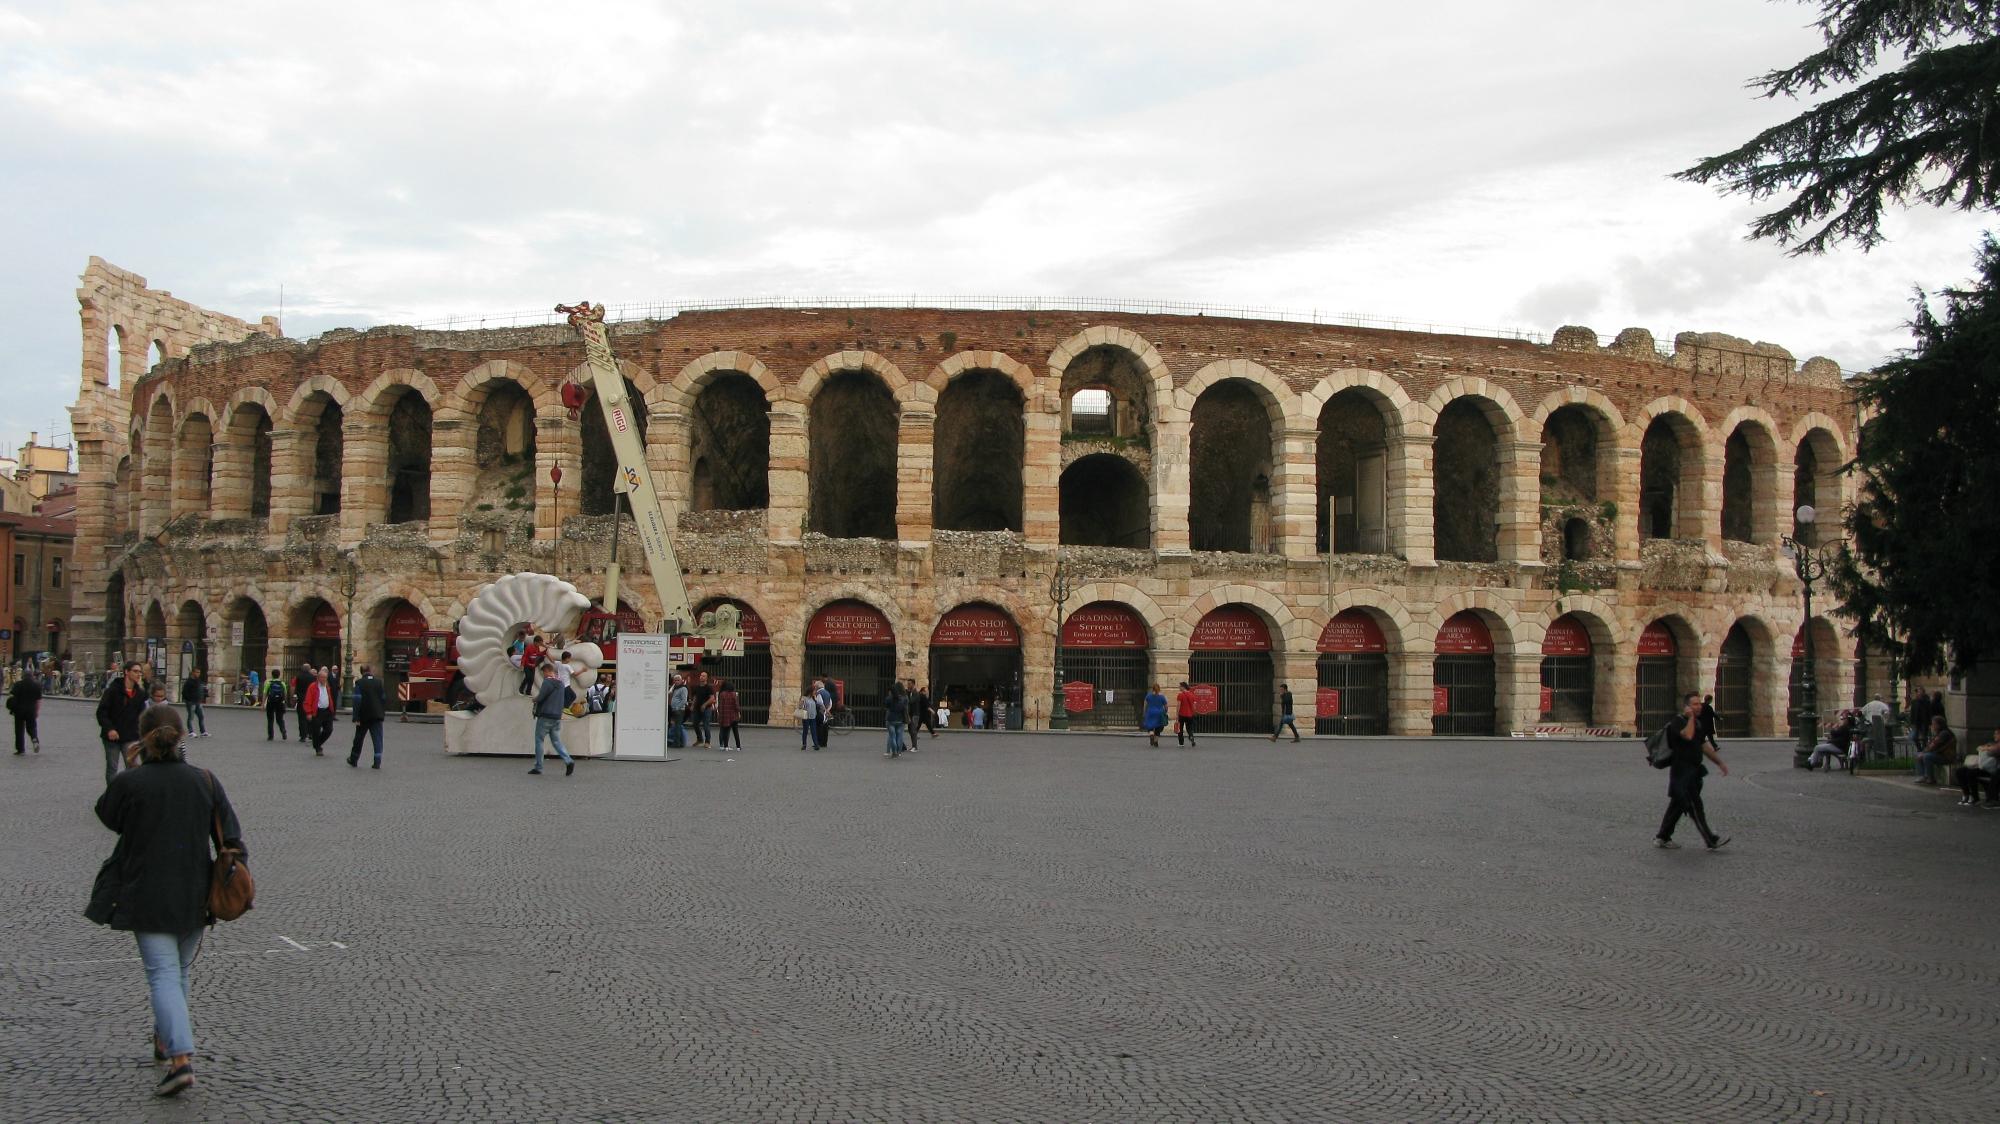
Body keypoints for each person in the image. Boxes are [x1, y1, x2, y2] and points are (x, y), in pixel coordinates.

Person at [85, 704, 246, 1098]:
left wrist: (129, 769)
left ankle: (180, 1059)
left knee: (163, 975)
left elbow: (108, 815)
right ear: (181, 736)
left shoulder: (132, 782)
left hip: (148, 891)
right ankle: (164, 1038)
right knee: (177, 973)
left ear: (143, 738)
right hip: (195, 892)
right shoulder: (204, 780)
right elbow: (233, 837)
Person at [1656, 691, 1731, 850]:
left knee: (1678, 806)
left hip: (1694, 772)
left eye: (1700, 703)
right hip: (1682, 773)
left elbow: (1703, 746)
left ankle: (1662, 837)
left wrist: (1720, 763)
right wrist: (1690, 718)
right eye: (1695, 704)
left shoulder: (1697, 723)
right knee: (1694, 806)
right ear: (1687, 707)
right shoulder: (1678, 721)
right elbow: (1688, 736)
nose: (1699, 706)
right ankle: (1711, 839)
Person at [97, 662, 148, 786]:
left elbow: (142, 716)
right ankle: (113, 795)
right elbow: (101, 712)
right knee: (112, 768)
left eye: (140, 672)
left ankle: (130, 794)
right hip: (112, 737)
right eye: (135, 671)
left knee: (132, 768)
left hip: (131, 736)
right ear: (126, 672)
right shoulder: (112, 691)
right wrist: (110, 729)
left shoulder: (140, 694)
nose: (138, 674)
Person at [529, 663, 574, 776]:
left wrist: (535, 699)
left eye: (544, 673)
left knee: (539, 740)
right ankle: (568, 760)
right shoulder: (561, 683)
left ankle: (538, 767)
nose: (543, 675)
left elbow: (541, 696)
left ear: (547, 671)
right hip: (557, 717)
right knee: (556, 741)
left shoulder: (548, 682)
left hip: (545, 716)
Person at [346, 664, 388, 769]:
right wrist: (382, 712)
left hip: (363, 715)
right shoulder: (379, 682)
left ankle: (354, 759)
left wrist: (356, 717)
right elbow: (383, 698)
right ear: (370, 671)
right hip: (377, 715)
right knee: (377, 739)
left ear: (361, 672)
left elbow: (357, 700)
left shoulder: (359, 683)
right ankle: (377, 761)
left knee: (359, 738)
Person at [301, 668, 336, 756]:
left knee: (329, 729)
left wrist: (332, 709)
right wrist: (308, 712)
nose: (324, 679)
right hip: (317, 711)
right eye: (323, 678)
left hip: (327, 711)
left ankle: (317, 743)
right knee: (316, 731)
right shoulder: (313, 687)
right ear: (318, 678)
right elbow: (308, 700)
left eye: (325, 678)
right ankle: (318, 748)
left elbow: (329, 697)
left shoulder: (327, 686)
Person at [1914, 714, 1957, 785]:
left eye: (1934, 724)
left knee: (1927, 757)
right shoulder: (1939, 733)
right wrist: (1923, 752)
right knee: (1918, 754)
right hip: (1939, 754)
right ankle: (1923, 775)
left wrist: (1924, 753)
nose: (1932, 726)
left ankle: (1930, 778)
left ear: (1939, 725)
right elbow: (1931, 745)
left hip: (1946, 756)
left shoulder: (1944, 733)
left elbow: (1934, 745)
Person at [9, 668, 42, 754]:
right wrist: (37, 711)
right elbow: (38, 700)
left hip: (19, 710)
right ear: (32, 676)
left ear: (23, 675)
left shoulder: (18, 684)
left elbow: (12, 696)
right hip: (31, 710)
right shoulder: (36, 685)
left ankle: (20, 749)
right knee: (32, 727)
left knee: (19, 729)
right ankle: (34, 739)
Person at [180, 669, 209, 738]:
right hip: (191, 702)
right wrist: (189, 699)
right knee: (191, 717)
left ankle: (203, 731)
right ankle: (191, 732)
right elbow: (184, 692)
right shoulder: (189, 682)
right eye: (197, 672)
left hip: (198, 702)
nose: (198, 674)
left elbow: (201, 689)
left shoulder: (198, 681)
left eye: (199, 672)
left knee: (201, 716)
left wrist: (204, 694)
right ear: (193, 672)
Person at [715, 678, 742, 750]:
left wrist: (720, 714)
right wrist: (739, 712)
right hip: (733, 716)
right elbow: (736, 705)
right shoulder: (734, 694)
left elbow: (720, 706)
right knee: (735, 732)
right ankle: (738, 747)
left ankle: (725, 746)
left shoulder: (722, 694)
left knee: (725, 730)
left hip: (725, 715)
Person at [689, 670, 714, 748]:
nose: (701, 677)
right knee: (695, 723)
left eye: (703, 676)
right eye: (701, 675)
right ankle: (699, 739)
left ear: (706, 678)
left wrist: (704, 705)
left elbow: (712, 698)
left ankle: (707, 742)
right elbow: (695, 697)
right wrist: (692, 705)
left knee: (706, 725)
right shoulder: (697, 687)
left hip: (706, 709)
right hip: (697, 708)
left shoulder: (709, 688)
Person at [884, 681, 909, 757]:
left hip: (891, 719)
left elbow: (886, 706)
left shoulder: (889, 699)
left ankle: (894, 751)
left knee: (892, 736)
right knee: (900, 736)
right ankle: (899, 752)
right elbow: (905, 708)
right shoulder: (903, 699)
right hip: (900, 719)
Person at [264, 671, 289, 740]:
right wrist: (285, 702)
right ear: (279, 675)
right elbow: (285, 693)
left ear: (272, 675)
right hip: (280, 702)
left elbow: (265, 693)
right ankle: (283, 730)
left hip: (270, 702)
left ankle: (270, 736)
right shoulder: (282, 683)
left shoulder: (269, 683)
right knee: (280, 719)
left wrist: (263, 704)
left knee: (270, 719)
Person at [292, 665, 313, 743]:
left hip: (301, 699)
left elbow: (296, 688)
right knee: (310, 716)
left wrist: (294, 696)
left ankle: (303, 735)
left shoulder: (299, 677)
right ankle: (310, 733)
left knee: (301, 718)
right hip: (310, 699)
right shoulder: (312, 677)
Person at [795, 685, 820, 750]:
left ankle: (816, 744)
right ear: (810, 691)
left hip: (813, 717)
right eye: (814, 690)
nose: (815, 692)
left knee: (814, 731)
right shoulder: (804, 698)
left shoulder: (813, 698)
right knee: (805, 731)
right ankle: (804, 744)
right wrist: (801, 702)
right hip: (806, 717)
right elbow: (800, 707)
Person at [667, 672, 688, 749]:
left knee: (678, 727)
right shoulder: (675, 688)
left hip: (679, 710)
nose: (676, 682)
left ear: (681, 680)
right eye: (675, 680)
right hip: (674, 709)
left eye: (678, 680)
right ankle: (677, 741)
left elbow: (684, 700)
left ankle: (677, 743)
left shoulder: (683, 688)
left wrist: (677, 707)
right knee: (675, 726)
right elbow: (669, 692)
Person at [1175, 682, 1199, 747]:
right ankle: (1191, 737)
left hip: (1182, 714)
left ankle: (1181, 743)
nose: (1179, 688)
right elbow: (1194, 706)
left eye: (1180, 686)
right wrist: (1193, 713)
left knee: (1180, 729)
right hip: (1190, 715)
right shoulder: (1192, 695)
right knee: (1189, 728)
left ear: (1183, 687)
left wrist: (1176, 715)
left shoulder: (1180, 695)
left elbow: (1178, 706)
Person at [813, 679, 833, 749]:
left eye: (815, 686)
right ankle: (825, 743)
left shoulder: (818, 693)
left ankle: (819, 742)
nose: (814, 688)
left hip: (820, 712)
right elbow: (830, 703)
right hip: (826, 712)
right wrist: (827, 710)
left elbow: (820, 703)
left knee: (819, 727)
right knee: (825, 728)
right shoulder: (827, 692)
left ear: (817, 687)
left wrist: (824, 710)